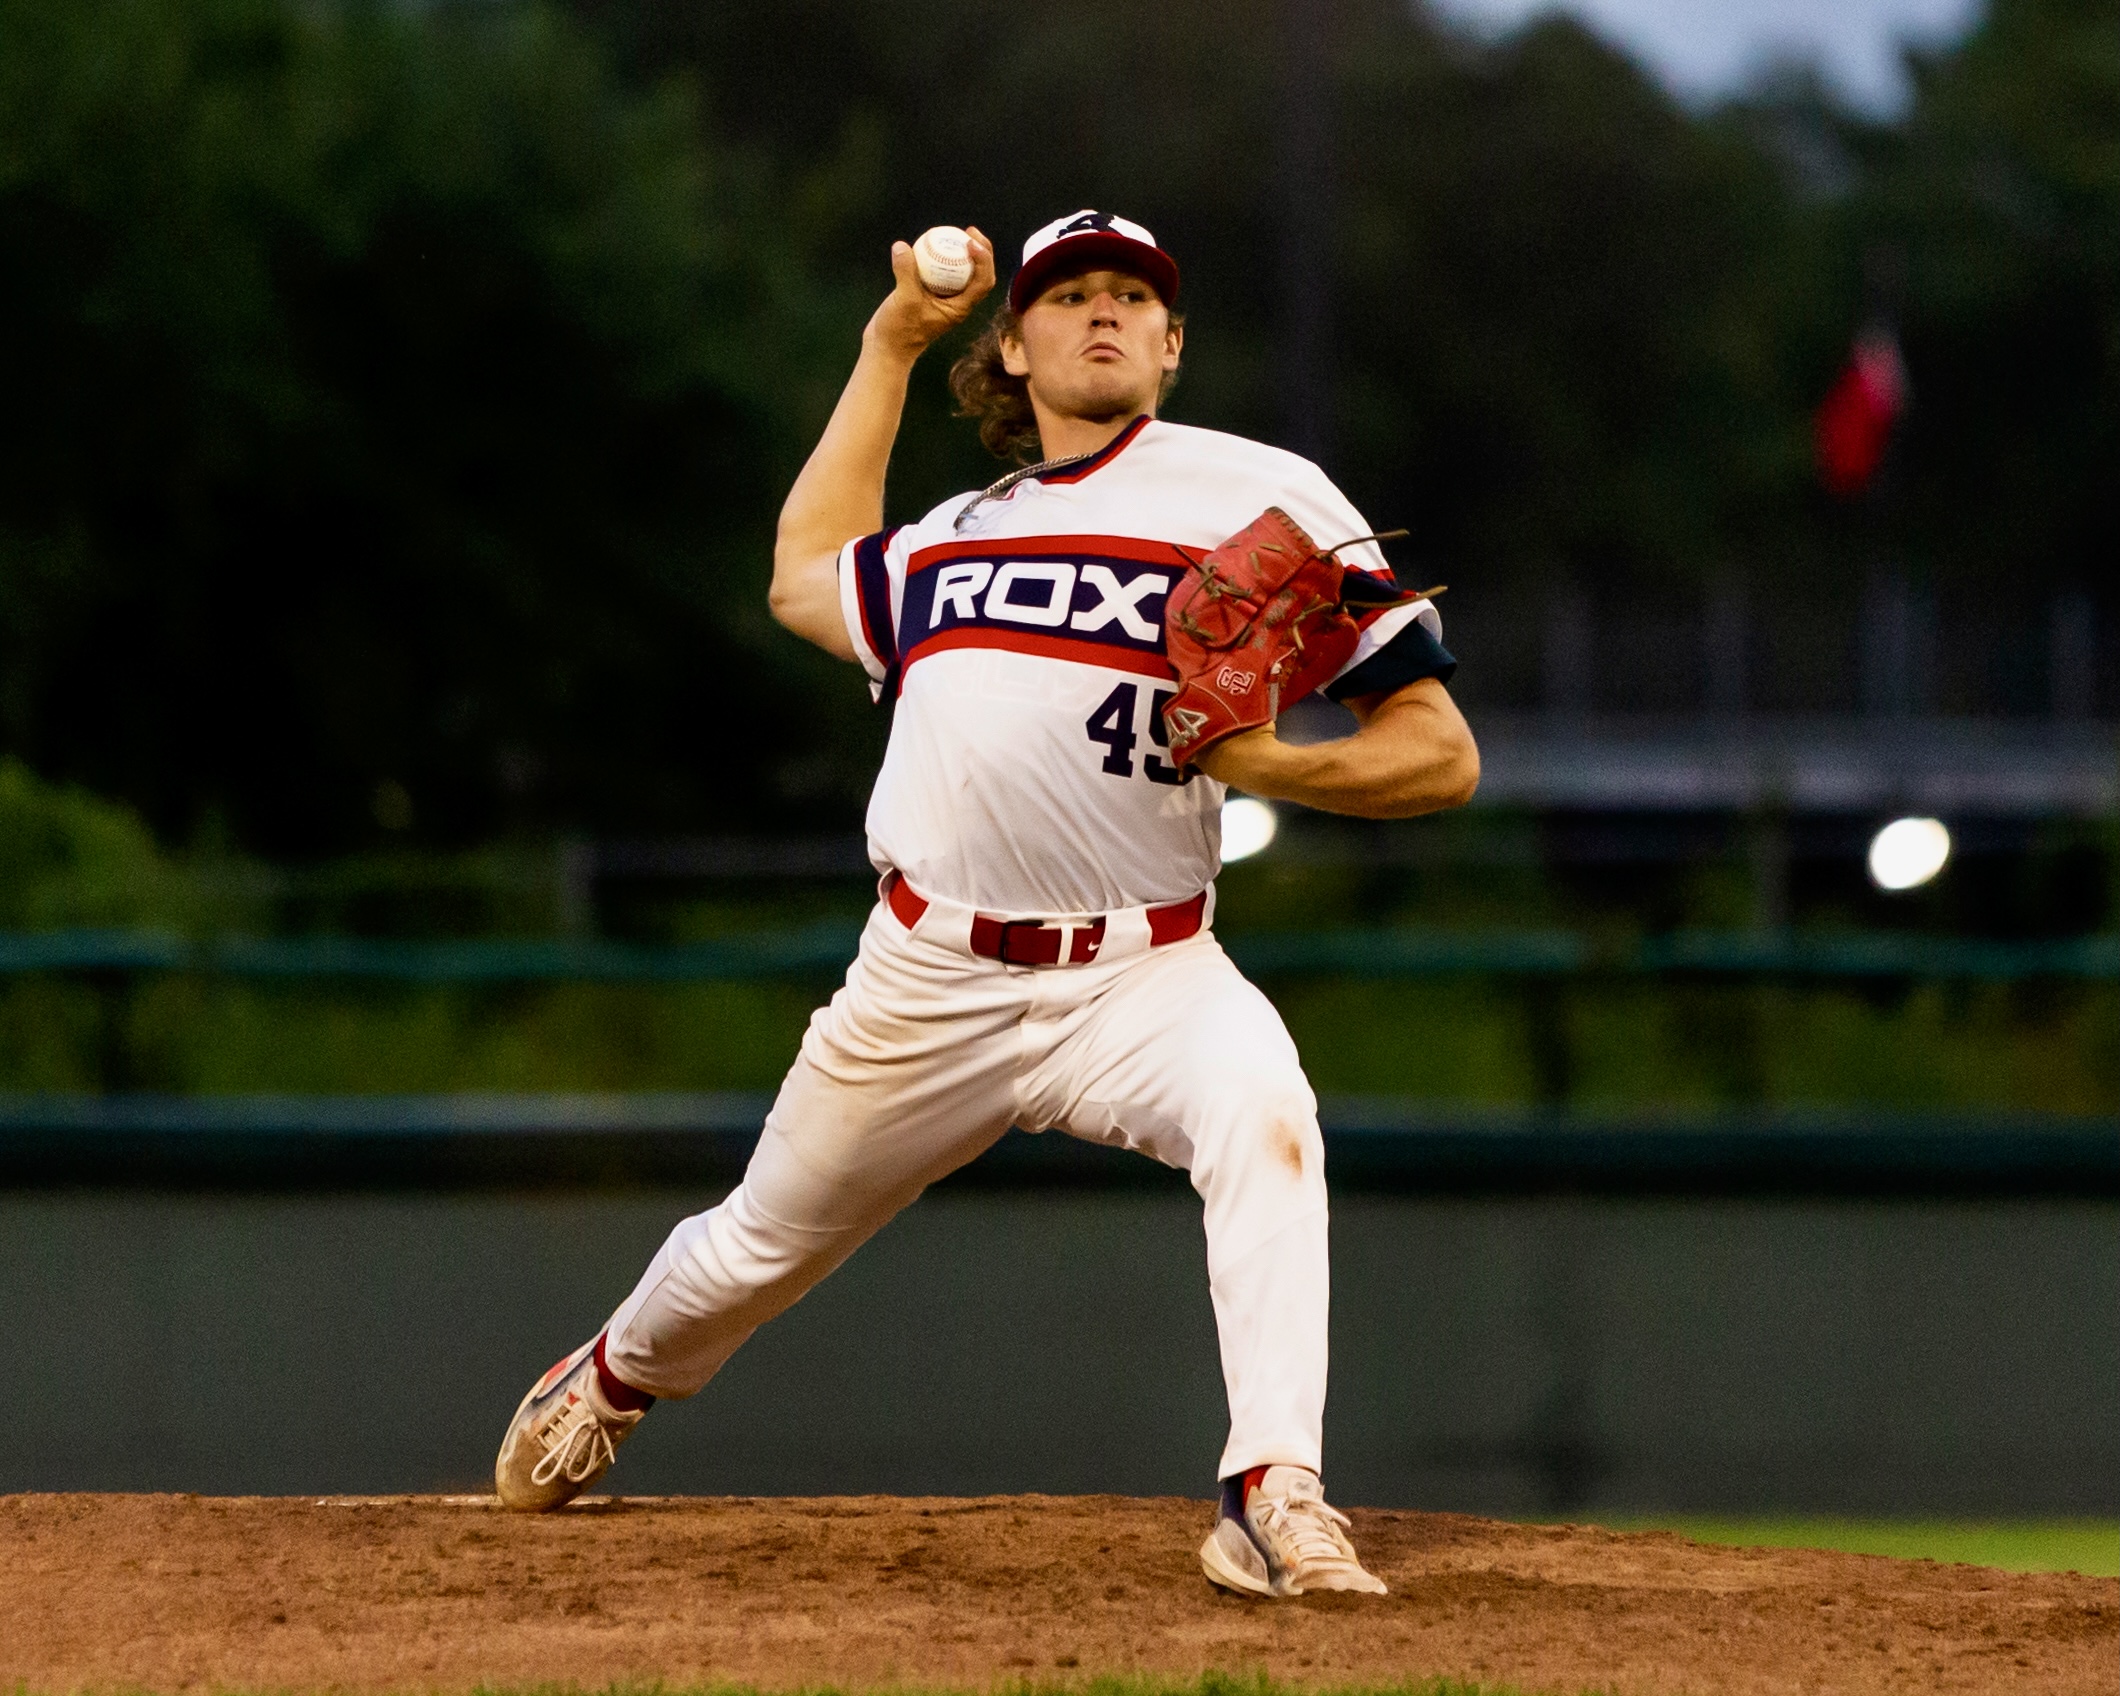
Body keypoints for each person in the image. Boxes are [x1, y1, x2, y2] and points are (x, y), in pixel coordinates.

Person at [493, 210, 1480, 1598]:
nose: (1103, 314)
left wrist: (1275, 762)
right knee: (753, 1248)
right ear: (1010, 346)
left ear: (1172, 344)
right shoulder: (956, 538)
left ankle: (1275, 1490)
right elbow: (797, 573)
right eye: (1068, 295)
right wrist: (889, 344)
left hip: (1149, 971)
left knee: (1268, 1120)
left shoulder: (1263, 497)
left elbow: (1443, 753)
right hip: (927, 976)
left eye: (1133, 298)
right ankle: (613, 1375)